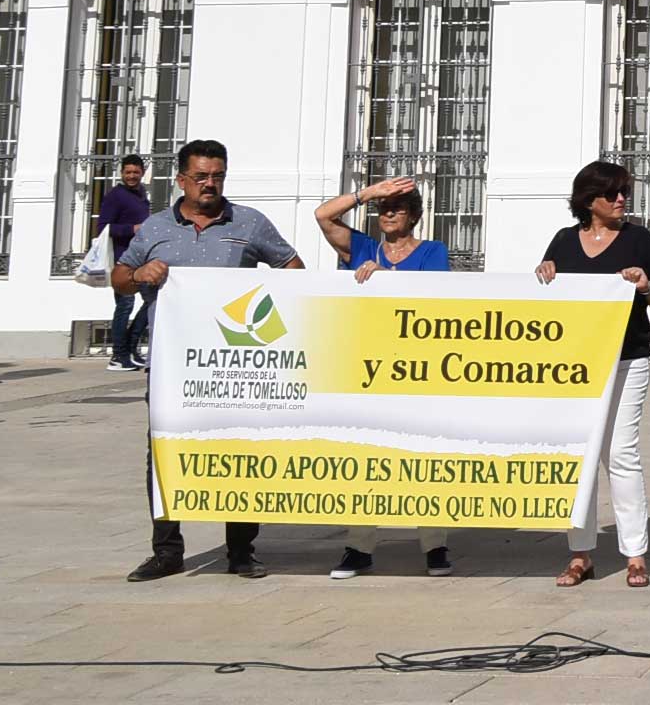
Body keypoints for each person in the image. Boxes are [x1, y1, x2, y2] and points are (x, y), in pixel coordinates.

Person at [115, 139, 302, 581]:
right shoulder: (154, 228)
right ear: (180, 180)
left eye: (217, 176)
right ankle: (167, 550)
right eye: (200, 177)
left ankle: (241, 549)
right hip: (173, 368)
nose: (209, 184)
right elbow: (120, 278)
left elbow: (293, 269)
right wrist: (140, 274)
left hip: (234, 364)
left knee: (238, 454)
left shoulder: (251, 223)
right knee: (164, 453)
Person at [539, 159, 650, 588]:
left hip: (627, 359)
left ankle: (635, 554)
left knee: (620, 453)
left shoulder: (638, 240)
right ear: (588, 200)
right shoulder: (564, 241)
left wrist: (645, 286)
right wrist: (543, 276)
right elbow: (547, 300)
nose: (621, 200)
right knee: (580, 458)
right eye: (612, 193)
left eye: (624, 193)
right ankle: (580, 554)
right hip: (575, 365)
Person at [311, 176, 454, 579]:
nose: (388, 214)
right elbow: (322, 215)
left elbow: (431, 297)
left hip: (415, 367)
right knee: (366, 457)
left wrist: (385, 279)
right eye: (383, 208)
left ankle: (435, 545)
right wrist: (366, 193)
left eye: (398, 207)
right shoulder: (360, 248)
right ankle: (359, 547)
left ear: (414, 215)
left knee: (425, 456)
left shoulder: (432, 251)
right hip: (366, 366)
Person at [95, 155, 157, 371]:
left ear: (142, 173)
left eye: (135, 172)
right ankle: (118, 355)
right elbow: (103, 228)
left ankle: (131, 348)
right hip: (121, 259)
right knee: (124, 306)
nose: (131, 176)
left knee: (151, 300)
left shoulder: (141, 195)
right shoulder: (116, 196)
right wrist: (133, 229)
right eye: (128, 172)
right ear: (121, 173)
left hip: (140, 258)